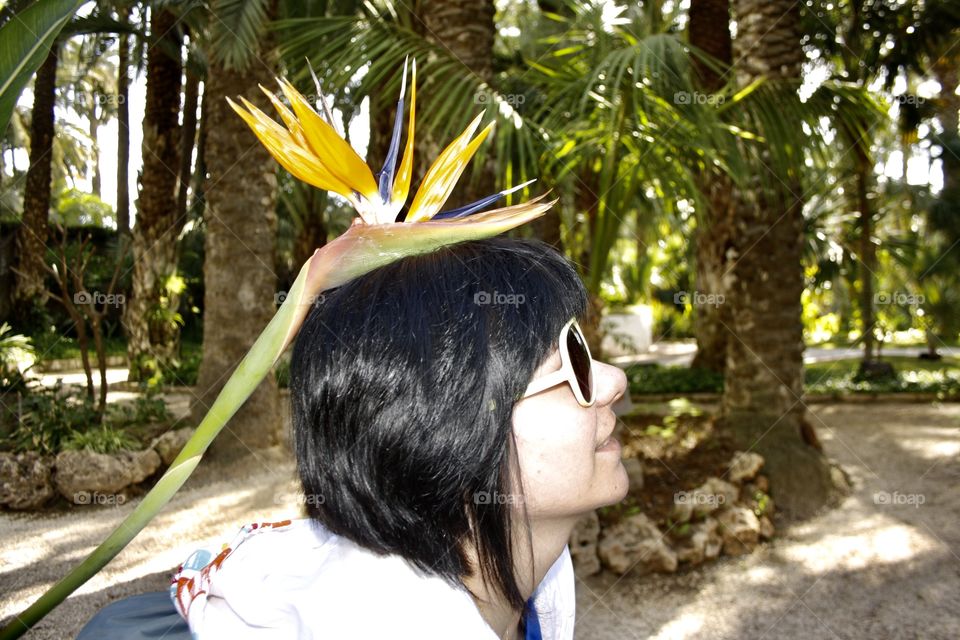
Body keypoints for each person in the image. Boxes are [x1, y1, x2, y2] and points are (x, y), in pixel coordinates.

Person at [165, 237, 629, 639]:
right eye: (573, 363)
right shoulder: (399, 624)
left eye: (581, 345)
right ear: (445, 436)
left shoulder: (535, 570)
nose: (614, 381)